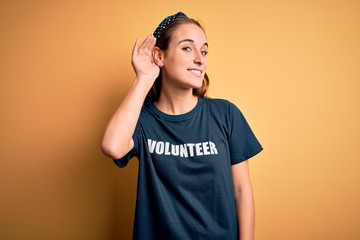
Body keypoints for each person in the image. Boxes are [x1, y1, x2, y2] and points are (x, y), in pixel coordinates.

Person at [101, 11, 263, 240]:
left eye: (204, 51)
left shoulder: (226, 114)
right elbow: (112, 147)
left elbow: (241, 190)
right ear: (160, 56)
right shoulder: (143, 120)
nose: (200, 58)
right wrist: (144, 77)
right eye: (187, 48)